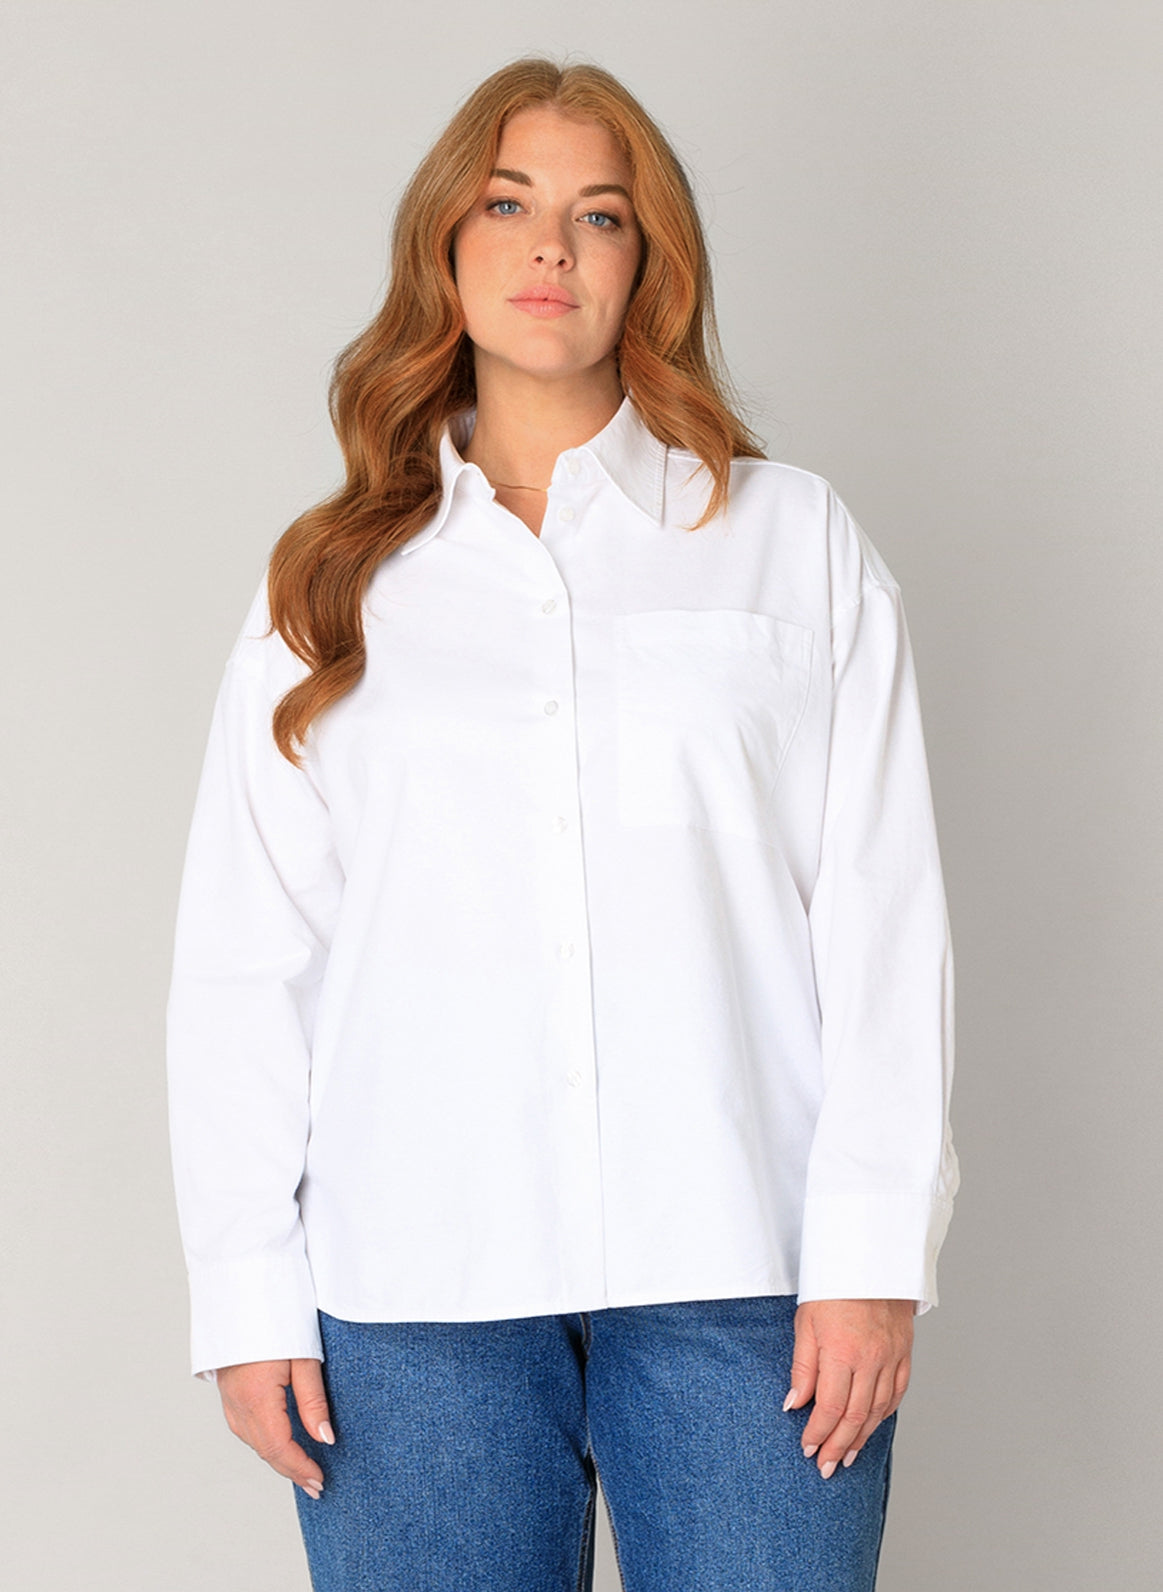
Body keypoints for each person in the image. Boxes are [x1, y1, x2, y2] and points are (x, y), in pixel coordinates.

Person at [166, 54, 960, 1592]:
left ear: (647, 262)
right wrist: (246, 1291)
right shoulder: (329, 581)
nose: (551, 246)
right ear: (444, 247)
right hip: (411, 1300)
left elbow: (883, 916)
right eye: (508, 204)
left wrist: (872, 1258)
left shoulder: (789, 544)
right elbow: (247, 959)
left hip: (747, 1284)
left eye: (599, 214)